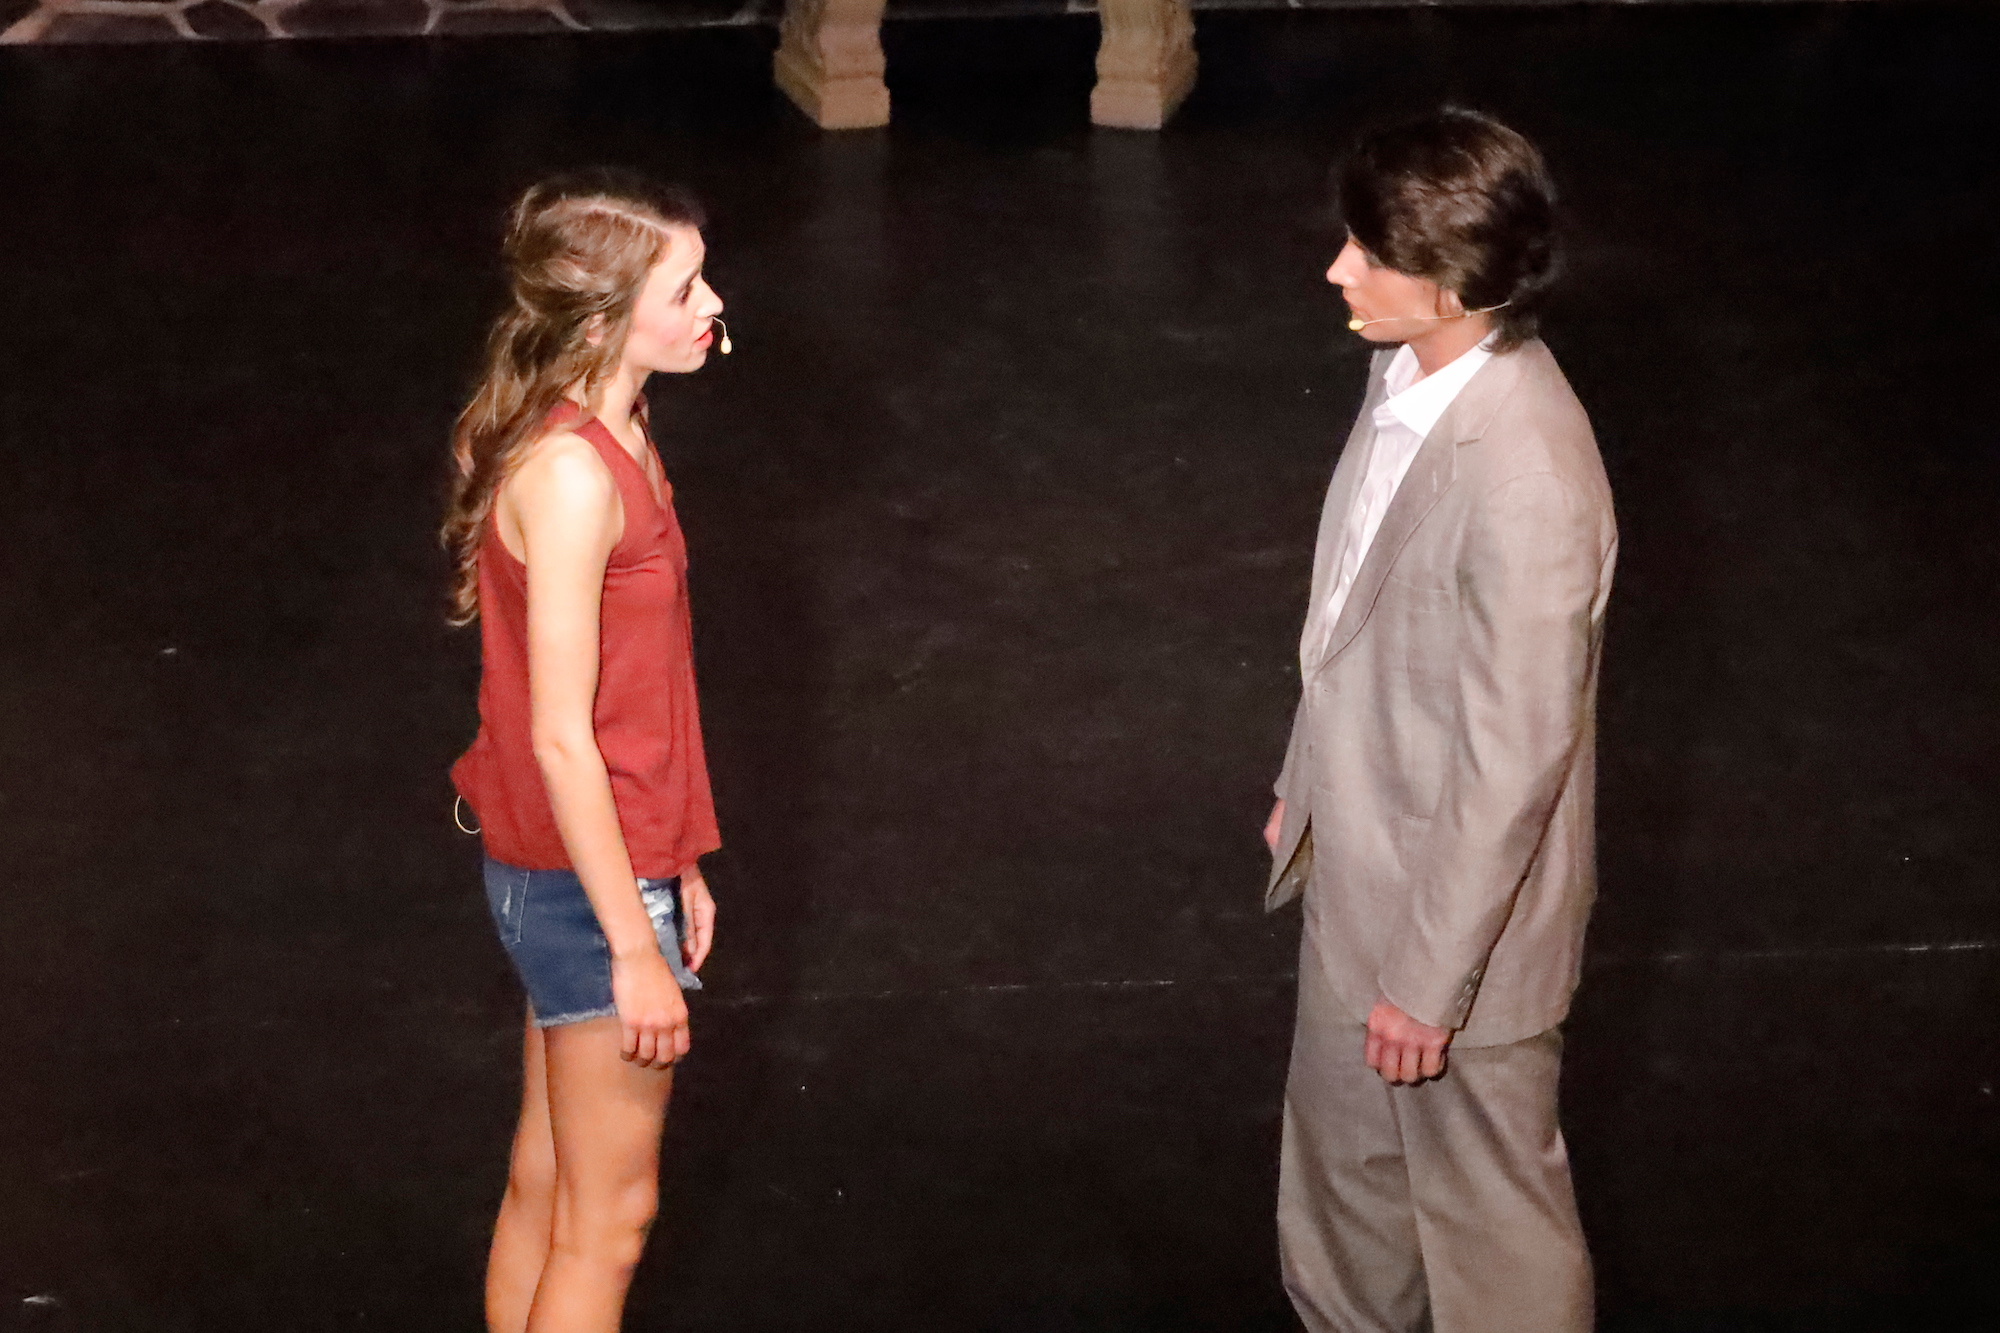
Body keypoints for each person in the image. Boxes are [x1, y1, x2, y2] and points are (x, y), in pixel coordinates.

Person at [1263, 109, 1616, 1333]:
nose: (1336, 270)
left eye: (1367, 253)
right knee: (1345, 1192)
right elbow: (1348, 617)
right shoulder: (1403, 370)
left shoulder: (1527, 478)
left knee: (1486, 1232)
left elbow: (1513, 762)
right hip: (1357, 872)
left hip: (1454, 941)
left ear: (1454, 284)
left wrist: (1425, 984)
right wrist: (1303, 785)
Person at [442, 172, 727, 1333]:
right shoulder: (570, 476)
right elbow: (562, 737)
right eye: (684, 288)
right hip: (583, 886)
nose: (712, 304)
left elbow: (637, 696)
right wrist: (633, 946)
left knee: (555, 1183)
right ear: (605, 318)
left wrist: (681, 853)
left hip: (587, 865)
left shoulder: (621, 432)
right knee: (608, 1222)